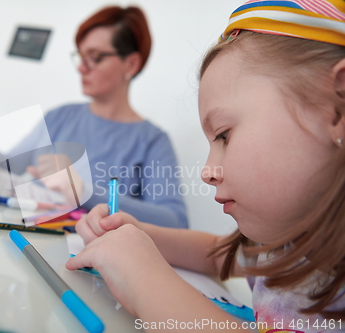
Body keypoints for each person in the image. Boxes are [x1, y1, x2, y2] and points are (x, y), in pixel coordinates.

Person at [66, 1, 345, 331]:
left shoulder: (150, 138)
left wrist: (141, 275)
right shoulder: (288, 240)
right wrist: (138, 234)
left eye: (224, 136)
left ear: (337, 108)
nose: (207, 171)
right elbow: (217, 253)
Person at [0, 6, 188, 228]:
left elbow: (175, 222)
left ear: (131, 64)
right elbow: (12, 167)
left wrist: (84, 192)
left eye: (95, 57)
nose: (81, 67)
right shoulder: (59, 117)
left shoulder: (152, 141)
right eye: (80, 57)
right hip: (25, 230)